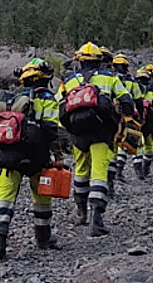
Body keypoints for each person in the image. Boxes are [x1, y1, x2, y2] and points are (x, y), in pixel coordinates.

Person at [57, 42, 134, 236]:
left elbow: (58, 106)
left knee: (81, 172)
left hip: (78, 134)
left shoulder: (70, 81)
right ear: (100, 61)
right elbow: (127, 101)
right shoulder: (110, 79)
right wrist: (125, 119)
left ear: (79, 61)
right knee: (99, 174)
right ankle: (97, 220)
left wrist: (62, 137)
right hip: (102, 133)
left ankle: (80, 212)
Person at [0, 59, 62, 259]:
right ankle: (43, 237)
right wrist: (57, 156)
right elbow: (51, 130)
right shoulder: (48, 99)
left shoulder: (11, 100)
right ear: (45, 79)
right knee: (41, 196)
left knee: (5, 196)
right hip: (37, 156)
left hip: (9, 156)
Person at [108, 53, 143, 196]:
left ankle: (113, 175)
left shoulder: (108, 77)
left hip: (110, 117)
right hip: (127, 116)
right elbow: (138, 99)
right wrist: (140, 116)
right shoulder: (131, 81)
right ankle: (122, 171)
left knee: (112, 146)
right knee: (127, 141)